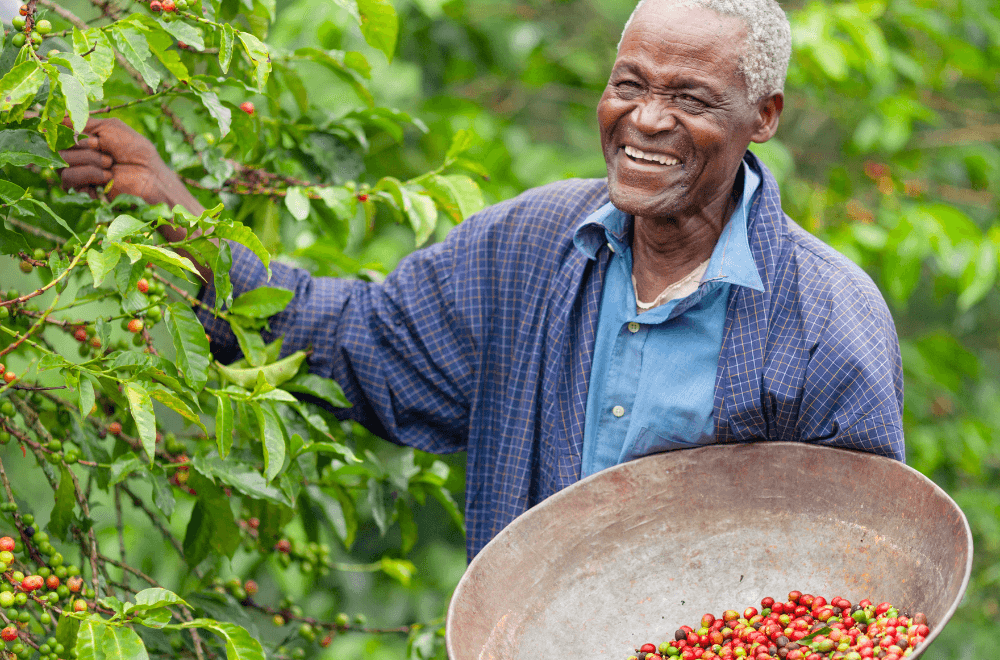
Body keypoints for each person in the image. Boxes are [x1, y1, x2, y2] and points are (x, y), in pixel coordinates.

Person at [58, 0, 904, 560]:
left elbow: (867, 573)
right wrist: (177, 213)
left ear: (763, 116)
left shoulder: (827, 318)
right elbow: (358, 341)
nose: (647, 120)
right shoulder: (531, 248)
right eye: (629, 85)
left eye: (690, 97)